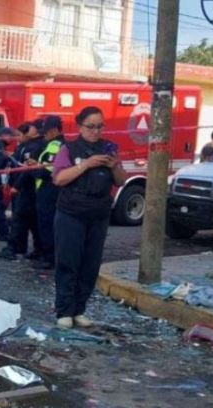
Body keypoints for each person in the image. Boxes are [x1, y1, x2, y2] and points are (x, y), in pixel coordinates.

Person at [51, 106, 127, 329]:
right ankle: (64, 310)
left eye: (100, 126)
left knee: (90, 264)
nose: (95, 131)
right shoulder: (69, 149)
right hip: (71, 212)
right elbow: (59, 179)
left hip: (99, 214)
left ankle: (79, 309)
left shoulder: (109, 149)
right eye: (91, 126)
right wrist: (85, 164)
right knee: (68, 261)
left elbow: (121, 181)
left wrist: (114, 167)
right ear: (80, 126)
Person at [0, 121, 44, 260]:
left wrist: (16, 185)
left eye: (19, 135)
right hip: (25, 188)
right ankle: (36, 249)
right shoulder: (24, 146)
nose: (18, 138)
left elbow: (26, 170)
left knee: (20, 219)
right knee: (32, 221)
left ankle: (14, 248)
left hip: (27, 189)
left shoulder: (33, 147)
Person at [29, 115, 65, 268]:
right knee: (44, 225)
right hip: (45, 190)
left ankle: (50, 259)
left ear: (54, 130)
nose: (44, 134)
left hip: (50, 190)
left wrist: (34, 168)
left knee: (48, 225)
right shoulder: (51, 144)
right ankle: (46, 255)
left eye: (47, 131)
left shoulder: (56, 146)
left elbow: (50, 171)